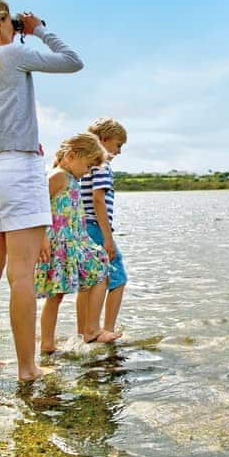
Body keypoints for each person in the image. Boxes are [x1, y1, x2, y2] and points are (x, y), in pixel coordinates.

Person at [0, 0, 83, 381]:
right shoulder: (10, 57)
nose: (14, 26)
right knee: (21, 274)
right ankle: (28, 368)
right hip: (18, 167)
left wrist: (18, 34)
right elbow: (73, 61)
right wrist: (39, 29)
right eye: (8, 20)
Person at [36, 133, 122, 349]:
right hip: (58, 242)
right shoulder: (58, 176)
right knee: (57, 294)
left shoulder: (72, 179)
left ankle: (54, 343)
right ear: (72, 155)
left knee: (98, 270)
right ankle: (80, 333)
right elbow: (37, 203)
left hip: (74, 242)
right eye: (87, 166)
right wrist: (41, 236)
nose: (87, 172)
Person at [80, 118, 128, 334]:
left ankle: (84, 331)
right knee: (118, 278)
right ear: (104, 140)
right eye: (118, 145)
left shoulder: (85, 167)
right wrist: (107, 238)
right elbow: (98, 199)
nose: (119, 152)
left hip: (84, 227)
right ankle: (106, 330)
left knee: (88, 283)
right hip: (97, 227)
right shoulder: (101, 165)